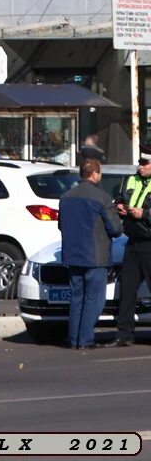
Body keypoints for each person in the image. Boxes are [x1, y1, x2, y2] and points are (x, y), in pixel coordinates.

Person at [57, 157, 121, 349]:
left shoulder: (66, 197)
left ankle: (75, 339)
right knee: (94, 299)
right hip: (95, 256)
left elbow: (61, 225)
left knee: (77, 298)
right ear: (94, 174)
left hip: (73, 255)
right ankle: (85, 339)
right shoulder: (101, 197)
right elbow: (115, 229)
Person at [112, 147, 151, 346]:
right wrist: (119, 206)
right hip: (133, 241)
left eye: (145, 163)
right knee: (127, 290)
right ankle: (124, 335)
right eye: (140, 163)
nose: (140, 167)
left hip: (150, 242)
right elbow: (119, 198)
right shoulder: (130, 180)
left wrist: (144, 215)